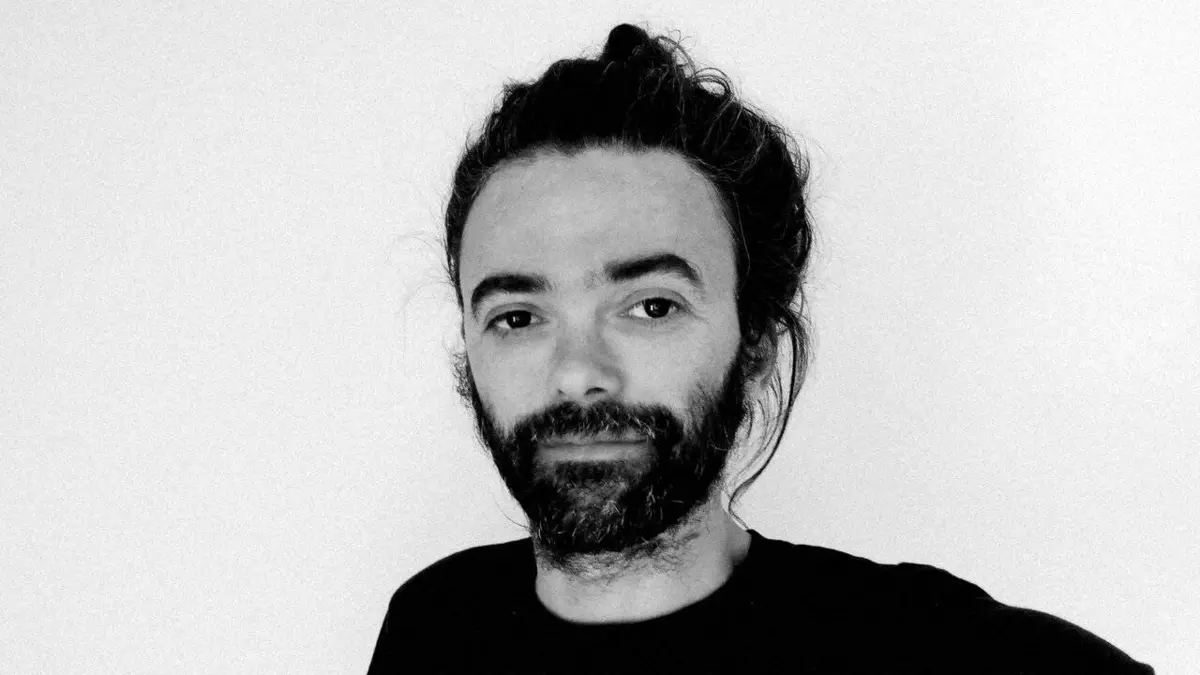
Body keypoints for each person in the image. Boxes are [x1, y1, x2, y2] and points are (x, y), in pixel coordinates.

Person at [368, 23, 1154, 674]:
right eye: (517, 316)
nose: (577, 373)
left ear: (756, 347)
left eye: (651, 306)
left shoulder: (924, 650)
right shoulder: (435, 623)